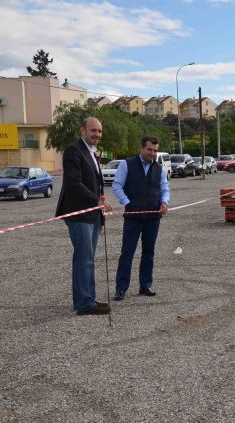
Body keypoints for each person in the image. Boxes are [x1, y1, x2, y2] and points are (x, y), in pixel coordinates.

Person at [56, 117, 113, 316]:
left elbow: (97, 187)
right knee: (84, 259)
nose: (97, 135)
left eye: (99, 131)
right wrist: (97, 202)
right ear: (83, 131)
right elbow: (73, 183)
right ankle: (85, 304)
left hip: (93, 215)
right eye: (93, 131)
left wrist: (101, 216)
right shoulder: (74, 150)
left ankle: (85, 299)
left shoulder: (93, 153)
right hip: (79, 213)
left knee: (86, 258)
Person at [112, 135, 170, 301]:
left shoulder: (160, 168)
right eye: (149, 149)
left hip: (153, 216)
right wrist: (127, 202)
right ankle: (121, 288)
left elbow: (164, 188)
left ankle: (145, 285)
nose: (153, 153)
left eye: (155, 150)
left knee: (149, 251)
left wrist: (164, 202)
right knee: (127, 252)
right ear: (142, 148)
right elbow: (117, 186)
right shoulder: (126, 164)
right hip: (132, 216)